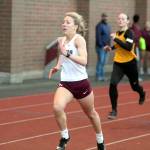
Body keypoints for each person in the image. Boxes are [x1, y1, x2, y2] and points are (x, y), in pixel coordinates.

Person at [48, 12, 105, 150]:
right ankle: (65, 136)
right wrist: (57, 66)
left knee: (91, 114)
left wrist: (67, 53)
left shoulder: (79, 40)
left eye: (68, 22)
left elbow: (84, 61)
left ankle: (100, 140)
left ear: (76, 27)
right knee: (57, 107)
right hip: (66, 83)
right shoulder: (61, 40)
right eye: (63, 22)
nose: (64, 24)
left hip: (81, 83)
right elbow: (62, 57)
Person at [104, 13, 146, 119]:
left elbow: (128, 47)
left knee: (134, 87)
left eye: (123, 19)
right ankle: (114, 110)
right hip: (118, 63)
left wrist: (115, 39)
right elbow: (119, 45)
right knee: (113, 84)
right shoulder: (118, 33)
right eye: (119, 18)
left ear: (127, 21)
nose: (120, 20)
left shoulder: (130, 33)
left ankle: (141, 93)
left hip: (130, 63)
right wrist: (111, 48)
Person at [95, 13, 111, 81]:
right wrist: (102, 46)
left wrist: (109, 46)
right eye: (104, 17)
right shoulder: (99, 25)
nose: (105, 18)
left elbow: (108, 36)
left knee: (104, 62)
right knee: (100, 61)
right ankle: (98, 76)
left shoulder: (108, 26)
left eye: (106, 17)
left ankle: (102, 76)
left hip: (107, 47)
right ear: (102, 17)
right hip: (100, 47)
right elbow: (98, 37)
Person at [130, 14, 143, 81]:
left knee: (135, 62)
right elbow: (136, 37)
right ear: (138, 20)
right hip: (135, 47)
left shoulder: (133, 27)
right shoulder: (135, 28)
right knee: (136, 62)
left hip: (135, 46)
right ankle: (135, 77)